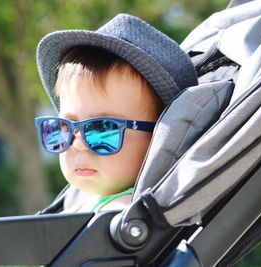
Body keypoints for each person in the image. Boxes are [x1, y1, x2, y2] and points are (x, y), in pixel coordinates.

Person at [35, 14, 198, 212]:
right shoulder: (82, 202)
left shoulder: (120, 211)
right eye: (64, 127)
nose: (77, 144)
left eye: (103, 129)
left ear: (159, 138)